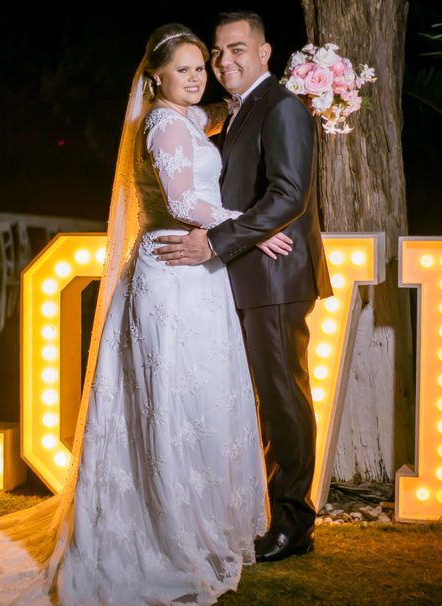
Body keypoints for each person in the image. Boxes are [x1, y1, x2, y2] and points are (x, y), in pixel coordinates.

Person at [0, 24, 272, 606]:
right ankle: (164, 532)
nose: (194, 77)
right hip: (170, 273)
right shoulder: (159, 124)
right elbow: (183, 201)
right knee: (167, 402)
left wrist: (258, 94)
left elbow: (215, 116)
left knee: (197, 399)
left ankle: (202, 523)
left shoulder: (185, 117)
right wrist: (253, 223)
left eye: (198, 68)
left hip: (197, 273)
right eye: (181, 70)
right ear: (154, 76)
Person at [154, 11, 333, 563]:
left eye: (237, 49)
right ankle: (261, 510)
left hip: (277, 278)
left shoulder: (281, 107)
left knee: (283, 398)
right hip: (248, 275)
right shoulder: (237, 111)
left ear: (264, 53)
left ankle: (293, 524)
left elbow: (288, 196)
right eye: (217, 52)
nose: (224, 60)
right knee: (263, 400)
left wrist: (217, 239)